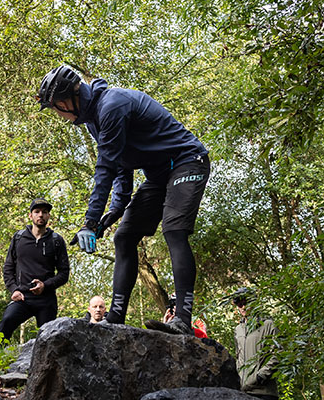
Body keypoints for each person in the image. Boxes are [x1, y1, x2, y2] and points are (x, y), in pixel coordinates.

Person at [37, 64, 210, 335]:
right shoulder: (94, 120)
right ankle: (115, 318)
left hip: (188, 161)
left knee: (174, 230)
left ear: (65, 101)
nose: (58, 115)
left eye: (55, 108)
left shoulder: (112, 105)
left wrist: (89, 221)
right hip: (159, 175)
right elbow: (121, 167)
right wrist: (113, 212)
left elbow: (105, 169)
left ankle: (182, 320)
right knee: (124, 237)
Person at [0, 198, 69, 340]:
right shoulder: (19, 238)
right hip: (22, 296)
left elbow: (64, 273)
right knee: (6, 323)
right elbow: (8, 268)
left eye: (44, 212)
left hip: (46, 299)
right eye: (37, 211)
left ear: (48, 216)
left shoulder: (56, 240)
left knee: (47, 339)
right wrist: (14, 289)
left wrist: (45, 285)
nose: (40, 215)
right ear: (30, 215)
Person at [232, 287, 278, 400]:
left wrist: (261, 376)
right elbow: (238, 358)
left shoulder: (268, 325)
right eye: (239, 304)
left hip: (265, 392)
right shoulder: (238, 330)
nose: (243, 307)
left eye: (246, 302)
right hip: (243, 392)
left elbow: (278, 354)